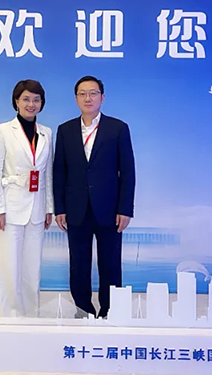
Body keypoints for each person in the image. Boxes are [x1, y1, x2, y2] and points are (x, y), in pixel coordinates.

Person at [53, 75, 135, 318]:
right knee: (78, 264)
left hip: (109, 209)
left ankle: (110, 311)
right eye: (82, 94)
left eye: (93, 93)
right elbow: (59, 172)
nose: (88, 98)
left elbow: (128, 171)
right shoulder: (65, 130)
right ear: (76, 98)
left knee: (110, 263)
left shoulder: (118, 128)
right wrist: (59, 208)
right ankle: (83, 311)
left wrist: (125, 209)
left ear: (102, 97)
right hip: (76, 208)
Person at [0, 79, 54, 317]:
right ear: (16, 101)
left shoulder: (46, 133)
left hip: (37, 208)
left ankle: (30, 317)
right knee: (8, 268)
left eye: (36, 100)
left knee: (32, 269)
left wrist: (49, 207)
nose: (31, 104)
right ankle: (8, 318)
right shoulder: (3, 131)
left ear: (42, 103)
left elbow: (47, 173)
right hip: (10, 207)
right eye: (26, 99)